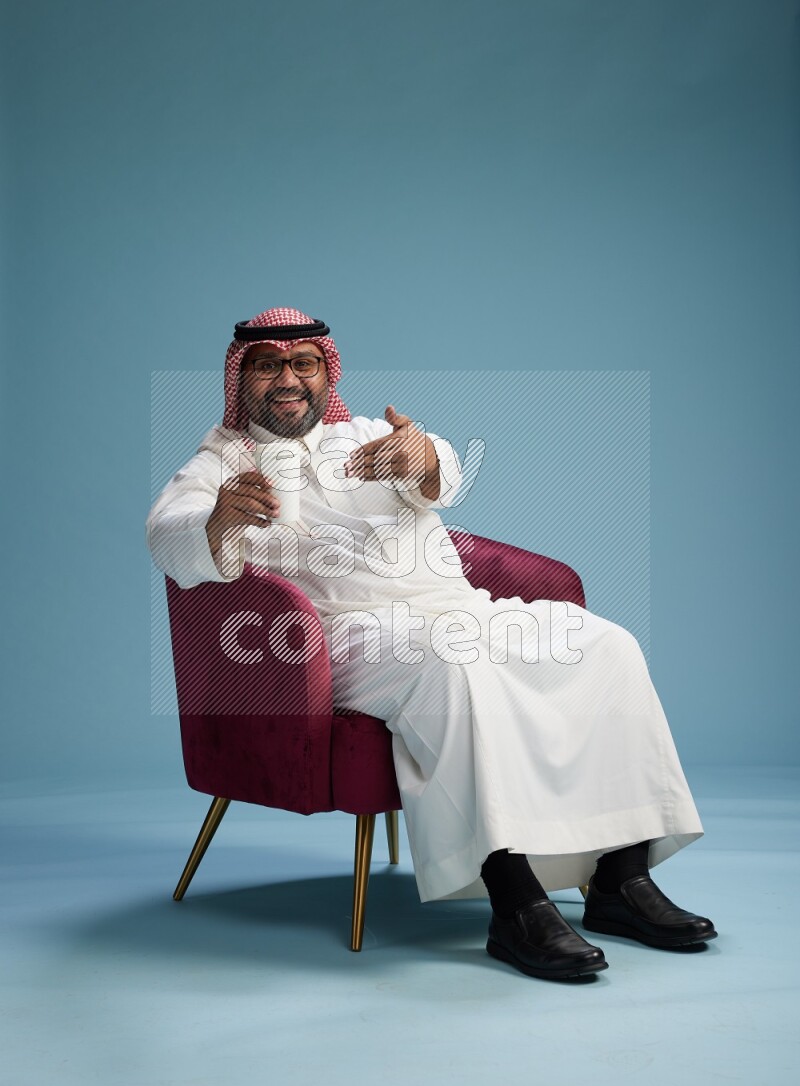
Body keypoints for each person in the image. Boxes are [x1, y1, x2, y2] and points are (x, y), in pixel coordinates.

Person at [147, 306, 717, 981]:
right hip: (345, 637)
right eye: (268, 365)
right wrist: (216, 522)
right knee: (455, 667)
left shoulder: (369, 435)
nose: (288, 379)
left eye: (302, 363)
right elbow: (166, 535)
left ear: (325, 372)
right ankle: (514, 902)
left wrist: (423, 459)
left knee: (605, 645)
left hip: (459, 607)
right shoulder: (218, 461)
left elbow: (440, 468)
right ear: (242, 376)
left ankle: (623, 879)